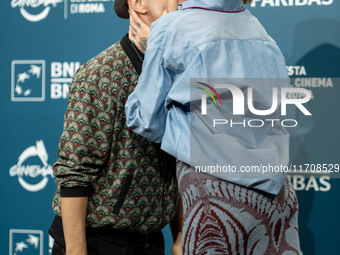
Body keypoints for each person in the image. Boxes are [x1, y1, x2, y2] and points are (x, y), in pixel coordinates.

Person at [125, 0, 302, 254]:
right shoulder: (260, 31)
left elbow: (144, 120)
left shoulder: (170, 28)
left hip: (214, 194)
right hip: (278, 197)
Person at [48, 0, 182, 254]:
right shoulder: (101, 74)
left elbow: (177, 163)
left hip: (152, 240)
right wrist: (77, 251)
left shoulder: (177, 72)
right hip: (98, 242)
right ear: (139, 3)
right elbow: (74, 172)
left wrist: (181, 235)